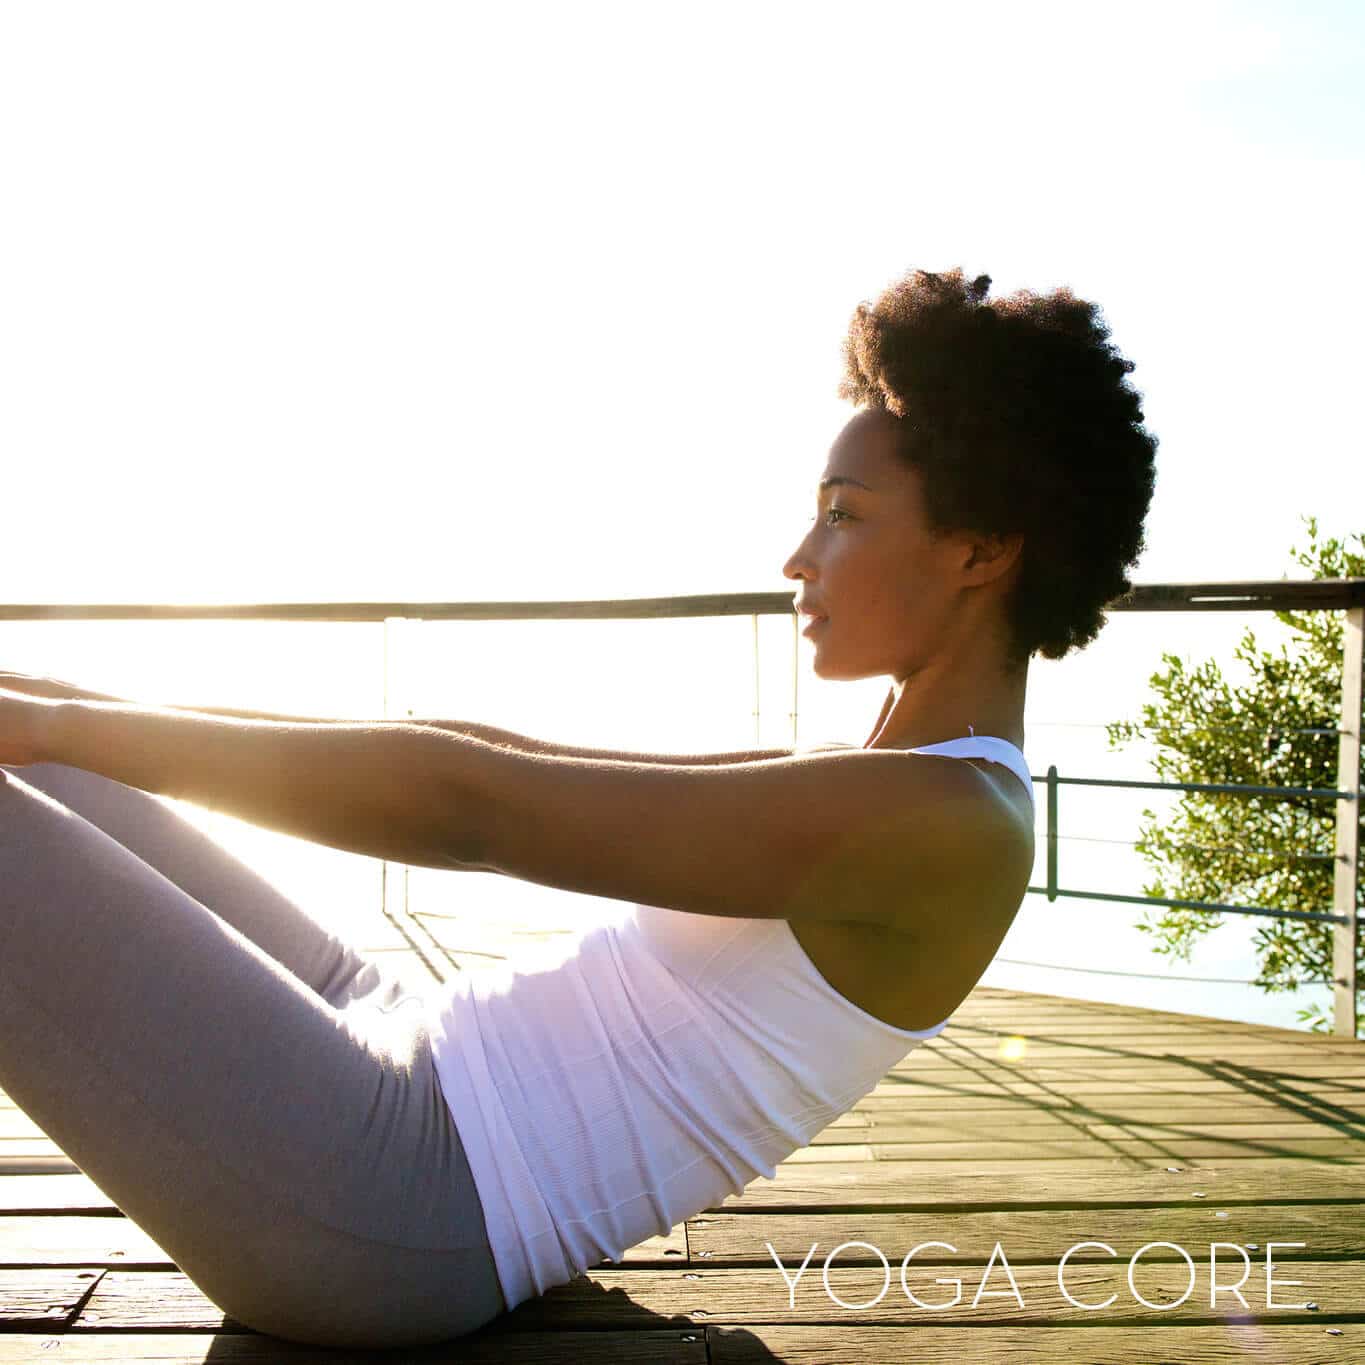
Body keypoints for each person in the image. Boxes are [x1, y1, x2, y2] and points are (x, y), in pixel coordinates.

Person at [0, 266, 1158, 1348]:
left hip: (398, 1197)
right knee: (53, 770)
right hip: (403, 1040)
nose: (798, 556)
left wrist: (52, 726)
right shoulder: (881, 782)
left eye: (844, 515)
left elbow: (474, 809)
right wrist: (52, 709)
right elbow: (494, 754)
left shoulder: (947, 824)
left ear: (982, 549)